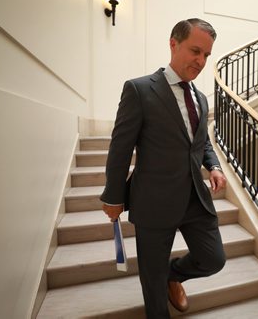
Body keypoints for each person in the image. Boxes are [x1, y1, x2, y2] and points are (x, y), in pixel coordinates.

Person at [100, 18, 227, 319]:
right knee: (152, 282)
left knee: (214, 259)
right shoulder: (140, 90)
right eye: (195, 51)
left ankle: (175, 276)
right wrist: (113, 196)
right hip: (153, 200)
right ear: (174, 43)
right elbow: (120, 148)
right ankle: (162, 284)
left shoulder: (202, 99)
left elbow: (201, 142)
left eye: (207, 55)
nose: (201, 60)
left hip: (195, 198)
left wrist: (215, 167)